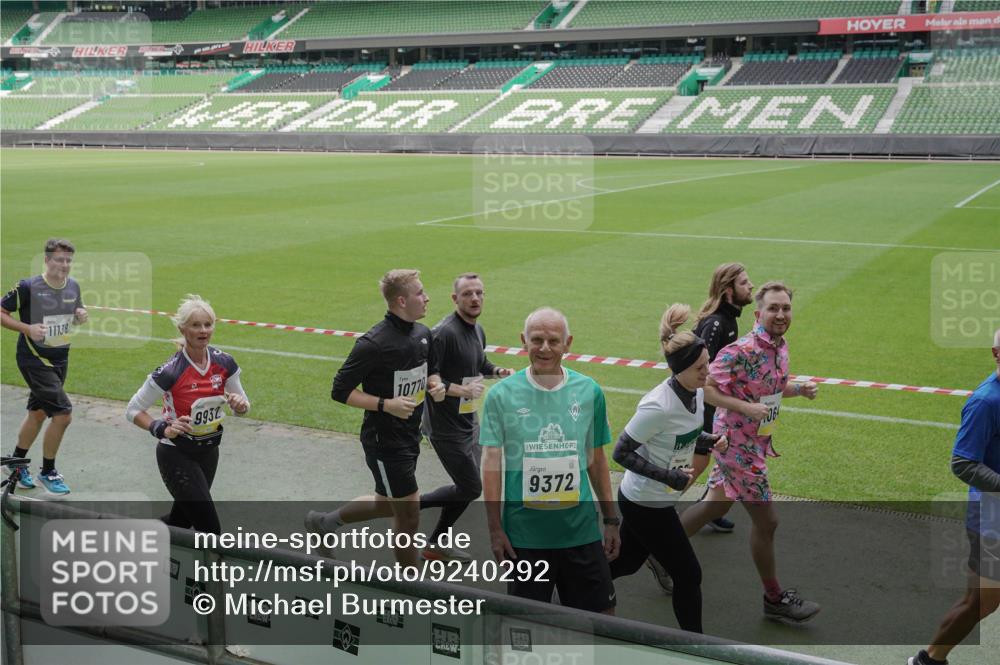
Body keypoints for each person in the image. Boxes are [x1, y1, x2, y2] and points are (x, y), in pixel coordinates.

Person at [679, 281, 821, 623]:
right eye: (773, 308)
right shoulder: (738, 351)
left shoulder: (779, 347)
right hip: (737, 447)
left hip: (755, 443)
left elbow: (770, 386)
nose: (781, 314)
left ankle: (660, 549)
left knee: (717, 503)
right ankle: (773, 598)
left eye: (785, 308)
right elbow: (707, 390)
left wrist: (798, 389)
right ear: (759, 314)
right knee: (768, 522)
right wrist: (745, 408)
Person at [481, 307, 620, 615]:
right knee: (523, 630)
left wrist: (611, 520)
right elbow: (491, 462)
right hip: (524, 538)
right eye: (537, 339)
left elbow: (596, 458)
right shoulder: (501, 395)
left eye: (553, 341)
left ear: (568, 343)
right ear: (523, 341)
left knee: (602, 621)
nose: (545, 348)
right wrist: (494, 528)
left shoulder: (589, 392)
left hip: (581, 533)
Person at [308, 269, 445, 568]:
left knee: (387, 503)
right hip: (385, 443)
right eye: (420, 293)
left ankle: (324, 523)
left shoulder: (423, 334)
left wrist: (434, 383)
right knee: (408, 516)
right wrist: (386, 404)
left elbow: (431, 368)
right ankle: (411, 585)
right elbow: (340, 390)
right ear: (400, 300)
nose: (427, 297)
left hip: (411, 436)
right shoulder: (373, 344)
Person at [610, 303, 728, 633]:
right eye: (702, 367)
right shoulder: (657, 406)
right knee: (689, 574)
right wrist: (670, 477)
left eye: (708, 364)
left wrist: (710, 440)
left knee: (627, 562)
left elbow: (684, 435)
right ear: (681, 368)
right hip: (644, 503)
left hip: (656, 498)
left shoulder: (695, 393)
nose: (709, 372)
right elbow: (620, 452)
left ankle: (577, 584)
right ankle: (696, 646)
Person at [647, 263, 753, 593]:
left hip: (711, 408)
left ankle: (710, 507)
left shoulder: (729, 319)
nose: (751, 286)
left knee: (712, 463)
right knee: (699, 463)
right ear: (728, 291)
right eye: (745, 282)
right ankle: (654, 522)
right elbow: (694, 365)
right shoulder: (717, 323)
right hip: (702, 410)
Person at [909, 329, 1000, 665]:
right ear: (996, 353)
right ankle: (928, 660)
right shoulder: (985, 402)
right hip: (991, 520)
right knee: (981, 602)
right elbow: (962, 463)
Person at [125, 295, 250, 535]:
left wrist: (240, 405)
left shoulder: (225, 363)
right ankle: (214, 572)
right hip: (176, 453)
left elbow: (242, 407)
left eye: (208, 324)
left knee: (181, 521)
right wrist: (163, 428)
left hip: (208, 451)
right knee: (210, 531)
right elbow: (132, 410)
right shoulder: (171, 371)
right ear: (183, 329)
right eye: (196, 325)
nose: (203, 330)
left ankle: (131, 538)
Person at [419, 273, 513, 562]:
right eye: (468, 294)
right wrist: (463, 390)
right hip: (445, 427)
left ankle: (435, 544)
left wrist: (497, 372)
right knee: (471, 486)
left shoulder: (477, 329)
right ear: (454, 298)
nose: (475, 298)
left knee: (469, 485)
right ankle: (407, 506)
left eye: (479, 293)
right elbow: (426, 380)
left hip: (469, 423)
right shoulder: (443, 334)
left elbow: (478, 362)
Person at [1, 238, 88, 495]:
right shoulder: (28, 286)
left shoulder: (73, 286)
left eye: (68, 260)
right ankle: (48, 471)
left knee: (38, 414)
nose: (64, 265)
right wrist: (26, 328)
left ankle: (16, 464)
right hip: (34, 359)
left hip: (60, 359)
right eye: (59, 259)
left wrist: (80, 316)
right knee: (63, 414)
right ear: (47, 260)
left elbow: (74, 313)